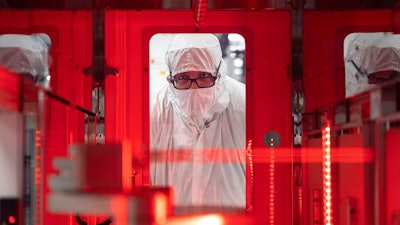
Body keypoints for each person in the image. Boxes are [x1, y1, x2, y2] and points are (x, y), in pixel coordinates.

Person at [150, 34, 246, 215]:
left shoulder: (246, 104)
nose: (194, 89)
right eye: (183, 77)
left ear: (219, 73)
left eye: (203, 76)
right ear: (171, 78)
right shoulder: (154, 108)